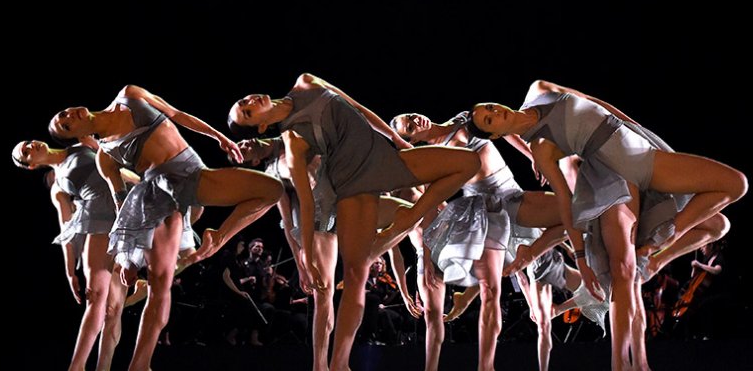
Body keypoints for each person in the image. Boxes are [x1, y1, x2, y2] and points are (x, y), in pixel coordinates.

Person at [469, 80, 747, 371]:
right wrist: (579, 257)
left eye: (490, 107)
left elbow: (595, 101)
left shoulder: (538, 89)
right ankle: (622, 364)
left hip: (641, 150)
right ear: (496, 133)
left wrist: (637, 128)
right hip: (615, 174)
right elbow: (566, 204)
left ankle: (661, 243)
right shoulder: (542, 147)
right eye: (489, 120)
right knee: (623, 271)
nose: (495, 111)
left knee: (732, 191)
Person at [228, 73, 480, 371]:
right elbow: (303, 204)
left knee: (467, 162)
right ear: (260, 124)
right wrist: (303, 254)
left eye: (243, 101)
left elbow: (358, 108)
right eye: (246, 111)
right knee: (353, 278)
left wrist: (398, 140)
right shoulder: (291, 140)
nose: (249, 101)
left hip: (384, 158)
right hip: (351, 186)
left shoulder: (306, 81)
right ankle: (336, 364)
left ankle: (409, 219)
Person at [49, 85, 284, 371]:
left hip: (195, 175)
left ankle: (217, 238)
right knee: (161, 284)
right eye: (64, 124)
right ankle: (140, 364)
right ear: (75, 135)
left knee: (271, 190)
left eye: (63, 114)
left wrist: (219, 136)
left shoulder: (130, 94)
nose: (67, 115)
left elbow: (176, 114)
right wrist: (126, 257)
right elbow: (121, 201)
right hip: (162, 195)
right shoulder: (104, 157)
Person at [391, 110, 564, 371]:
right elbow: (428, 210)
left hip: (511, 192)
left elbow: (504, 131)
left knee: (575, 213)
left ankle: (529, 264)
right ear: (413, 140)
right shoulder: (432, 158)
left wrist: (532, 155)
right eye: (411, 127)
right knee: (490, 289)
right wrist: (425, 259)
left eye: (413, 116)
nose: (417, 121)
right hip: (486, 208)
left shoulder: (464, 118)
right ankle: (486, 365)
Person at [12, 139, 126, 371]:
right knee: (96, 296)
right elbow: (67, 228)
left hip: (127, 211)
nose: (31, 146)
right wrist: (70, 270)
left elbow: (113, 161)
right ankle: (77, 366)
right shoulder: (58, 188)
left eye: (28, 143)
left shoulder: (79, 145)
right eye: (26, 152)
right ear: (31, 165)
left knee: (114, 308)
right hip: (99, 223)